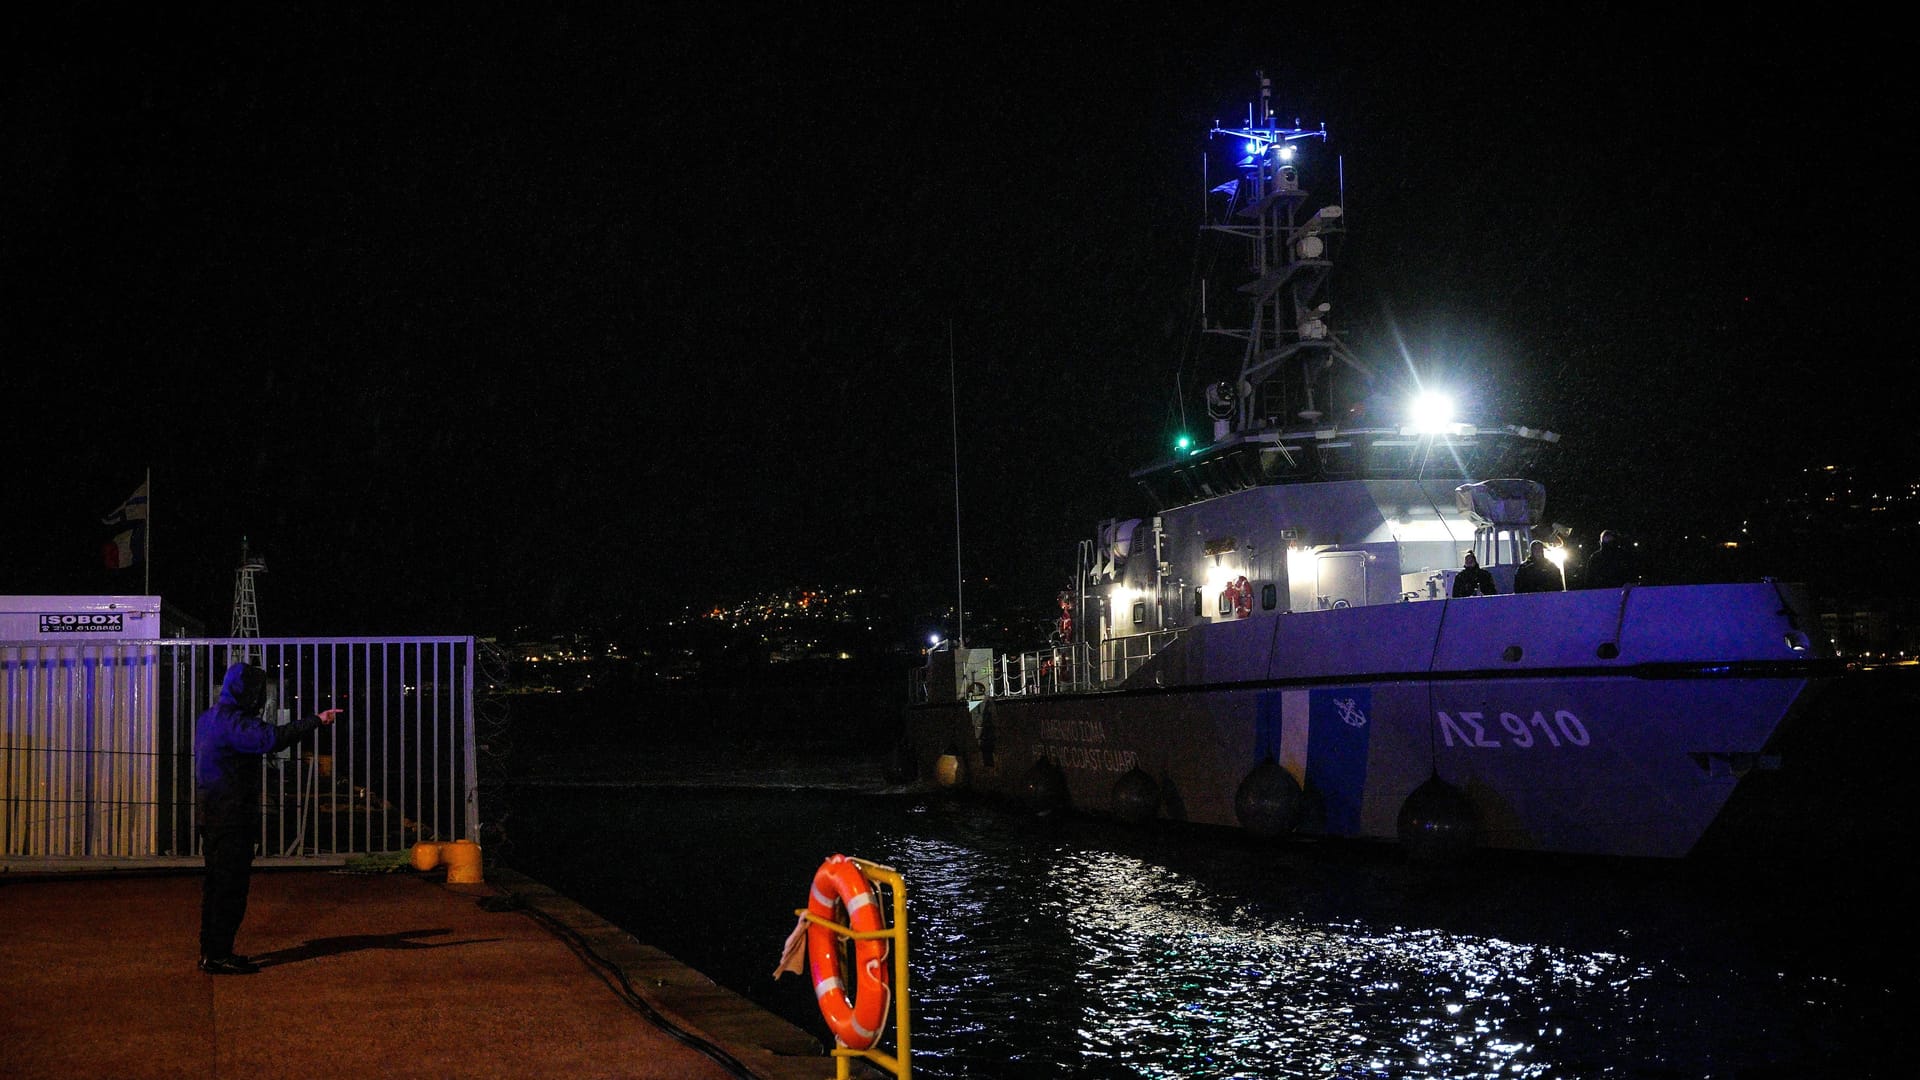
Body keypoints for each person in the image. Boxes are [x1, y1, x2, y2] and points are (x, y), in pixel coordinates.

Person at [195, 661, 341, 974]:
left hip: (211, 811)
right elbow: (272, 738)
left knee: (215, 887)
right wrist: (316, 720)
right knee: (231, 889)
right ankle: (219, 955)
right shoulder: (234, 723)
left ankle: (211, 951)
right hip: (231, 814)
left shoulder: (208, 718)